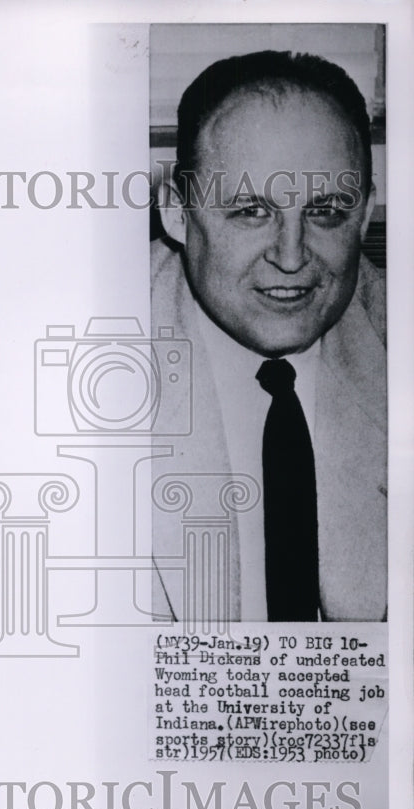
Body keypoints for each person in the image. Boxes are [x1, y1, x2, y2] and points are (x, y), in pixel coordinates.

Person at [149, 50, 386, 623]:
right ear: (178, 213)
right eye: (252, 211)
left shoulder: (389, 337)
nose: (290, 257)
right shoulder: (91, 359)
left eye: (326, 211)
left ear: (365, 216)